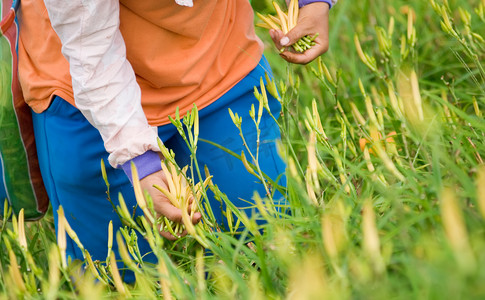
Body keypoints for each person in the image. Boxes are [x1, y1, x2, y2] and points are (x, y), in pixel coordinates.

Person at [18, 0, 336, 281]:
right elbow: (90, 52)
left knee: (269, 244)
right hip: (83, 87)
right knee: (120, 277)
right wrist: (138, 161)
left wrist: (314, 2)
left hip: (215, 62)